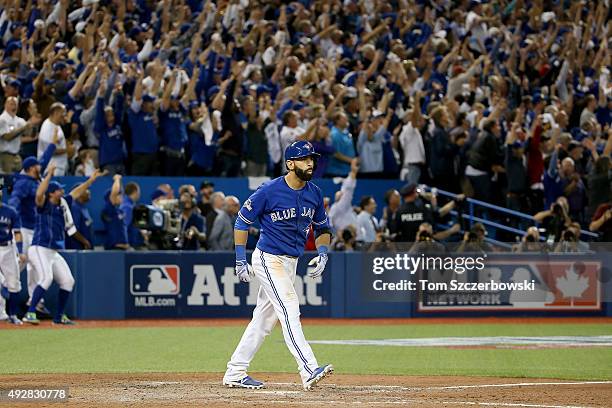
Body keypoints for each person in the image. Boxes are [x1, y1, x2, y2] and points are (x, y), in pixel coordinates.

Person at [223, 140, 333, 391]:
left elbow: (323, 228)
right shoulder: (269, 190)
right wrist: (240, 258)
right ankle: (308, 369)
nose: (310, 163)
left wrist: (323, 252)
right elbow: (241, 222)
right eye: (305, 159)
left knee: (262, 321)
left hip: (290, 262)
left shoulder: (314, 192)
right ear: (290, 163)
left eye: (312, 159)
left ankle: (235, 371)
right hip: (268, 257)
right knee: (290, 307)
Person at [22, 163, 96, 325]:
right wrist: (48, 176)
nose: (62, 191)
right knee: (46, 278)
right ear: (52, 193)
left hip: (53, 251)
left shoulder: (62, 203)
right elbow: (39, 194)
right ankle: (30, 313)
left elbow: (76, 193)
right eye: (59, 190)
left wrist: (90, 180)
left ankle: (59, 317)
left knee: (68, 280)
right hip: (39, 248)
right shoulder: (44, 205)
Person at [8, 142, 57, 315]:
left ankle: (34, 300)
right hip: (24, 229)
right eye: (36, 166)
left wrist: (52, 144)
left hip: (34, 229)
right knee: (20, 263)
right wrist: (9, 216)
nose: (40, 167)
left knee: (34, 265)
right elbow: (14, 200)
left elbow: (43, 161)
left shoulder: (34, 177)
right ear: (30, 168)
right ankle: (6, 286)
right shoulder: (23, 183)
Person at [0, 188, 25, 324]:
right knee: (4, 282)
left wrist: (20, 251)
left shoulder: (10, 211)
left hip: (8, 248)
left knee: (14, 283)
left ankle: (13, 315)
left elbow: (17, 233)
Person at [0, 96, 39, 174]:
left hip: (17, 155)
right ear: (5, 105)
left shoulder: (19, 120)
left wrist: (34, 124)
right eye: (11, 104)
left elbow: (31, 134)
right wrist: (24, 127)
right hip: (5, 156)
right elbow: (7, 137)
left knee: (18, 180)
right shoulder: (2, 119)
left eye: (15, 104)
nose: (13, 106)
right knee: (7, 182)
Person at [328, 158, 360, 238]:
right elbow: (348, 189)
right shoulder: (340, 206)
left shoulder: (339, 207)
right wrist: (353, 172)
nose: (340, 193)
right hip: (347, 239)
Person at [37, 103, 69, 176]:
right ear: (56, 113)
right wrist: (66, 150)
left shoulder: (57, 125)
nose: (65, 115)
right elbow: (49, 150)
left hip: (58, 166)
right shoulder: (46, 127)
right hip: (51, 168)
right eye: (63, 112)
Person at [102, 175, 130, 250]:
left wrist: (120, 182)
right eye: (119, 195)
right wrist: (117, 179)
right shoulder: (108, 209)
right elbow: (114, 192)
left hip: (123, 248)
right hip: (114, 248)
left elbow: (119, 191)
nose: (121, 197)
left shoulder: (119, 210)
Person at [121, 182, 146, 249]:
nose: (139, 194)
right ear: (135, 192)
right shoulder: (127, 207)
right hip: (131, 245)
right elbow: (124, 226)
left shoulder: (131, 206)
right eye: (139, 192)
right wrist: (125, 243)